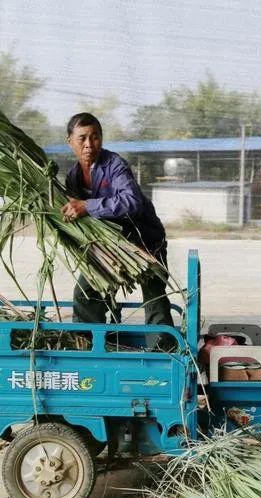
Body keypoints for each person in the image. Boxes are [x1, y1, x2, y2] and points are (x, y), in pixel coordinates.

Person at [61, 112, 174, 334]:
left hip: (145, 241)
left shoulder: (115, 165)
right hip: (108, 247)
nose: (88, 145)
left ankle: (162, 355)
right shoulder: (73, 177)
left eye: (95, 137)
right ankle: (88, 346)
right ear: (70, 141)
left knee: (155, 301)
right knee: (85, 293)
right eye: (82, 138)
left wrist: (88, 206)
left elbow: (132, 202)